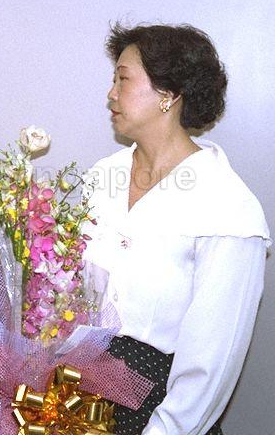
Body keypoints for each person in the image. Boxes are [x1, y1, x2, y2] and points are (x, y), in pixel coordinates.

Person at [84, 23, 270, 435]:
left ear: (168, 94)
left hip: (161, 413)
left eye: (123, 79)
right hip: (78, 400)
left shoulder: (228, 207)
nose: (111, 94)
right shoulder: (101, 177)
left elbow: (211, 365)